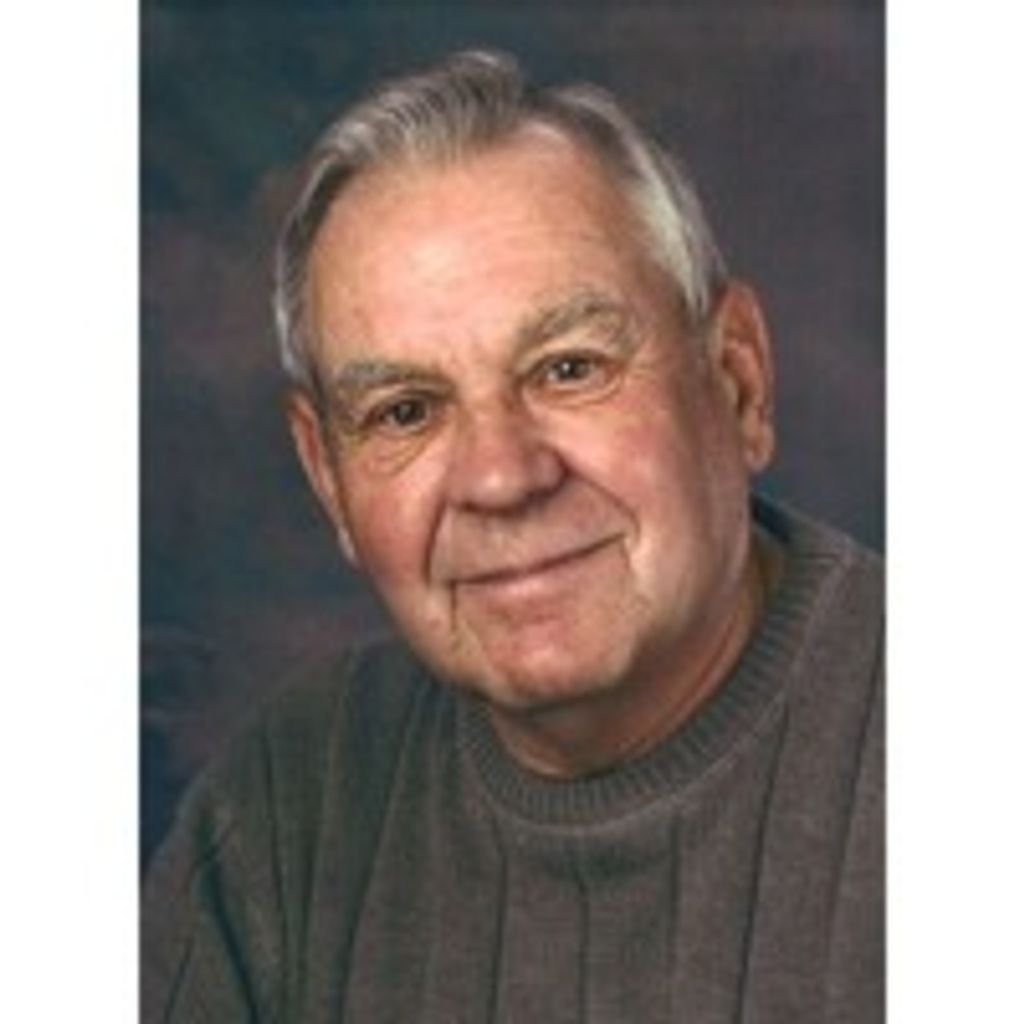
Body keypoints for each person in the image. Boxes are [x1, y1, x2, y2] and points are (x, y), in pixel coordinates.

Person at [142, 50, 883, 1023]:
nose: (501, 476)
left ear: (737, 381)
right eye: (405, 411)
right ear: (327, 476)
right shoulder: (281, 817)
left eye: (570, 368)